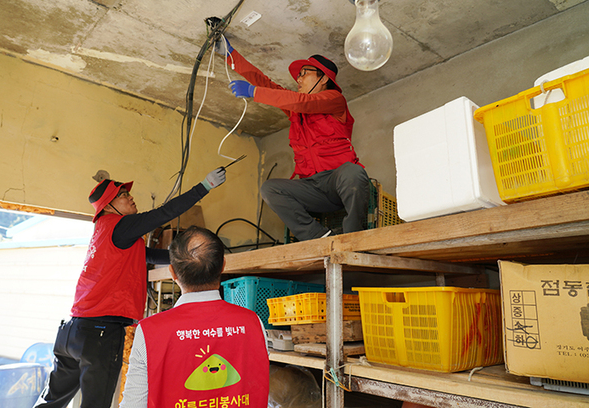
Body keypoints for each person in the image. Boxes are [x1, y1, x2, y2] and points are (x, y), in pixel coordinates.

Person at [34, 168, 227, 408]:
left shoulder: (106, 231)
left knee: (51, 402)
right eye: (123, 194)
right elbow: (164, 213)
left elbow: (147, 255)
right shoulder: (121, 225)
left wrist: (190, 255)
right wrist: (204, 186)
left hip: (72, 331)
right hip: (99, 333)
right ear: (108, 205)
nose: (130, 196)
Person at [220, 38, 370, 241]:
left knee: (353, 172)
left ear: (323, 78)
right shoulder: (296, 111)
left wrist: (254, 93)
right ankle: (319, 237)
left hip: (337, 182)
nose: (298, 79)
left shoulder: (335, 99)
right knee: (270, 188)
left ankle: (353, 238)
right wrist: (230, 55)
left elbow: (305, 103)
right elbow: (265, 83)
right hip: (311, 189)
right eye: (298, 75)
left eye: (304, 73)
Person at [120, 226, 270, 408]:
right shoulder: (253, 322)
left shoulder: (150, 331)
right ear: (223, 266)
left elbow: (134, 403)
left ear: (172, 273)